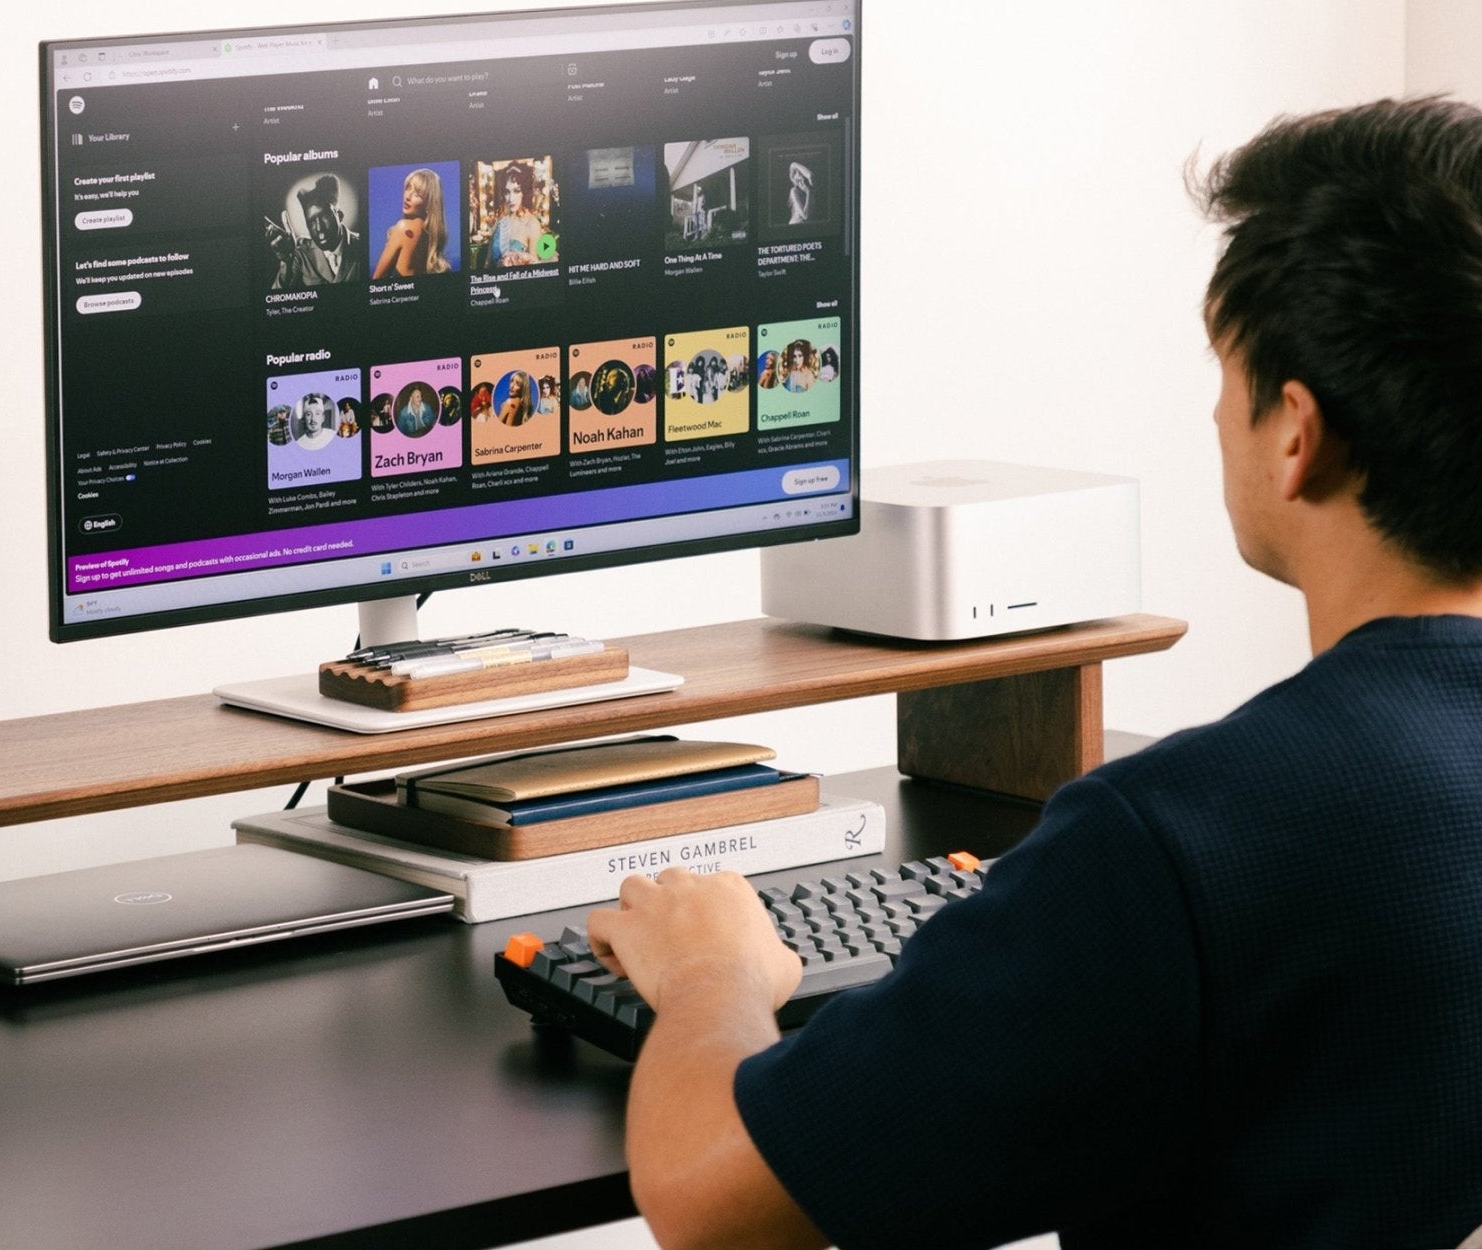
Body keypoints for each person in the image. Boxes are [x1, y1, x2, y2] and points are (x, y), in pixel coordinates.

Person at [586, 97, 1482, 1250]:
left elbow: (711, 1200)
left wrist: (713, 971)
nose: (1214, 409)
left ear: (1295, 432)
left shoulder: (1184, 840)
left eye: (1223, 370)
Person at [263, 174, 362, 289]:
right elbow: (277, 298)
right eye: (311, 222)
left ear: (339, 215)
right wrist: (287, 263)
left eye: (324, 216)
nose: (319, 229)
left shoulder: (363, 245)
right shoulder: (300, 253)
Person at [372, 168, 453, 280]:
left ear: (429, 203)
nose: (407, 197)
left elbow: (376, 280)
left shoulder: (404, 227)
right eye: (408, 188)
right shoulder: (430, 235)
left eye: (417, 194)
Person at [488, 163, 544, 267]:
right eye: (507, 192)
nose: (511, 198)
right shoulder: (501, 221)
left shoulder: (532, 224)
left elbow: (536, 270)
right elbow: (487, 263)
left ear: (525, 192)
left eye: (516, 191)